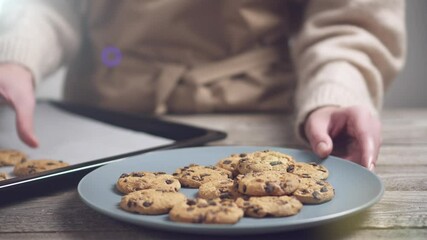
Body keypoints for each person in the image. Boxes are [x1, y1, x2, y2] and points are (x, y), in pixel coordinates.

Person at [0, 0, 406, 171]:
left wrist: (336, 90)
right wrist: (16, 58)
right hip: (105, 105)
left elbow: (349, 18)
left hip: (257, 117)